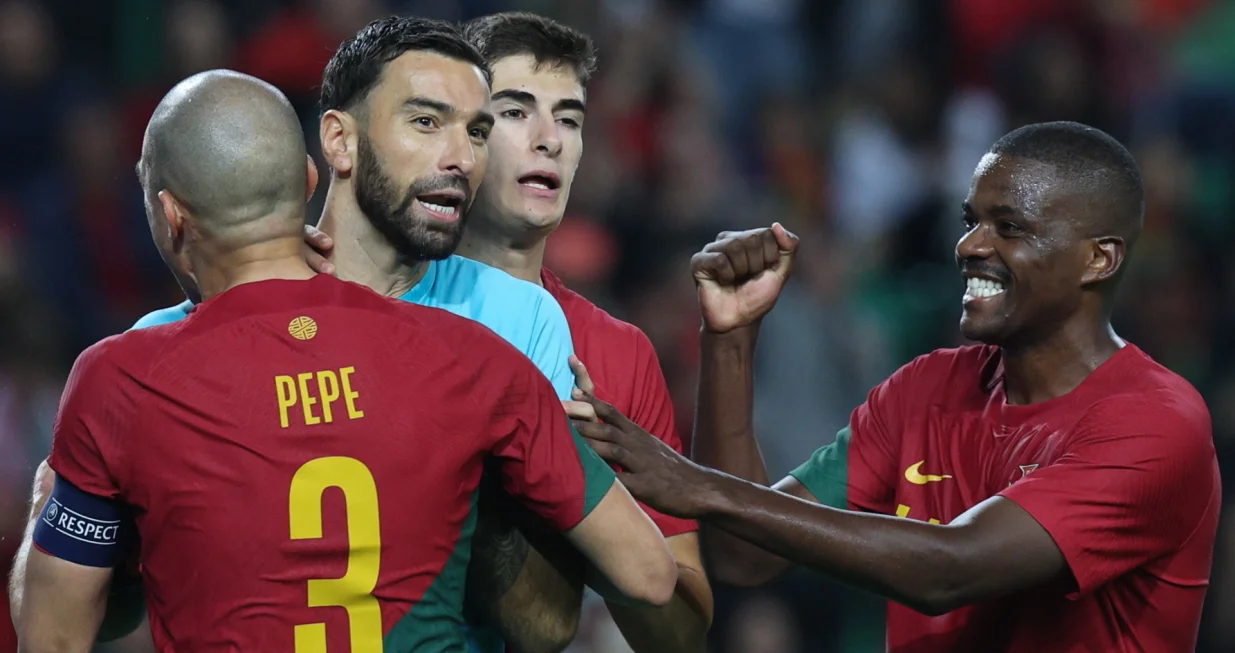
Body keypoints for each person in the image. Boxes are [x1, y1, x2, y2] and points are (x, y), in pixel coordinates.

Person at [7, 15, 625, 653]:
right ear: (334, 144)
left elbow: (549, 627)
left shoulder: (520, 319)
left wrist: (458, 464)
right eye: (425, 122)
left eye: (476, 131)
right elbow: (98, 611)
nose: (462, 159)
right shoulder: (156, 354)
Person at [573, 121, 1222, 652]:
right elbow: (745, 555)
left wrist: (698, 485)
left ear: (1097, 258)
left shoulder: (1155, 422)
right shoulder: (927, 387)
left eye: (1009, 227)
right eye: (970, 220)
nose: (969, 245)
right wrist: (731, 338)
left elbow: (952, 569)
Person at [310, 12, 715, 652]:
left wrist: (584, 489)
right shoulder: (297, 295)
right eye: (514, 113)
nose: (550, 140)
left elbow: (672, 632)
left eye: (570, 119)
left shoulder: (610, 350)